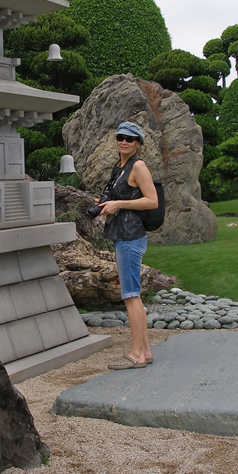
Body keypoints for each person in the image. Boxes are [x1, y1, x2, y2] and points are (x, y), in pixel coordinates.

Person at [97, 122, 158, 369]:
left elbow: (152, 201)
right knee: (132, 295)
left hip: (130, 237)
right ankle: (145, 351)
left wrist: (119, 204)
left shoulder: (138, 166)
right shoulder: (120, 167)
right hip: (122, 235)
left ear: (138, 144)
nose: (124, 142)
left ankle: (136, 354)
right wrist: (107, 203)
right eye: (120, 137)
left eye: (130, 139)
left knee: (131, 295)